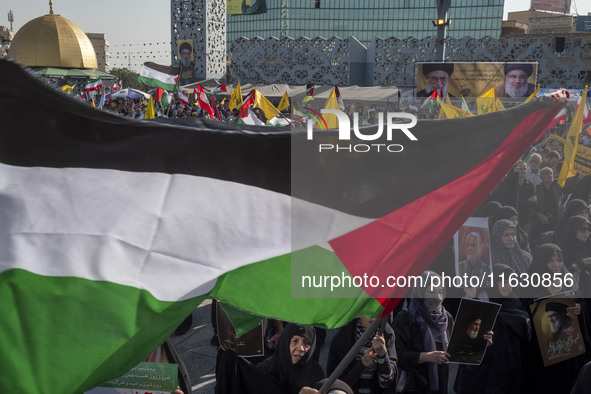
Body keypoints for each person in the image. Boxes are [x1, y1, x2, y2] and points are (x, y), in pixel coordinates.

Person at [454, 264, 531, 394]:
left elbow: (525, 329)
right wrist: (474, 299)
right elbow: (467, 326)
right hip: (480, 366)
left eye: (511, 282)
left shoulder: (514, 302)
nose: (508, 285)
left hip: (505, 367)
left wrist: (499, 317)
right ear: (494, 281)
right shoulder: (482, 298)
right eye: (504, 281)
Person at [392, 271, 452, 394]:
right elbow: (396, 355)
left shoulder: (446, 318)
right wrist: (425, 357)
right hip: (414, 385)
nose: (436, 296)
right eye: (430, 291)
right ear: (420, 292)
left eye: (440, 291)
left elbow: (455, 349)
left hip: (440, 384)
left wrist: (479, 342)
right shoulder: (406, 319)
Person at [327, 317, 398, 393]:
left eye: (377, 309)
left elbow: (386, 382)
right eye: (368, 309)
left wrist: (383, 355)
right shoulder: (343, 338)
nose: (373, 316)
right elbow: (336, 385)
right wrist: (362, 365)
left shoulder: (387, 334)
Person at [531, 167, 563, 244]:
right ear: (541, 177)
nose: (549, 175)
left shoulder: (558, 187)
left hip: (556, 223)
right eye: (546, 173)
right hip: (541, 223)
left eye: (551, 173)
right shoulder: (536, 189)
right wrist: (538, 214)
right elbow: (530, 207)